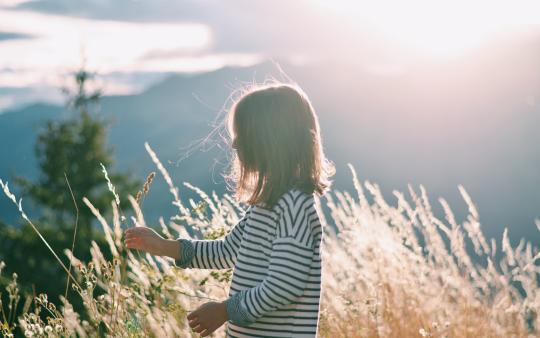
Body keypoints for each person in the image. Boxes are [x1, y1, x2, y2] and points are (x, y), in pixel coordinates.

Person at [124, 81, 335, 337]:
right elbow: (226, 251)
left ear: (271, 140)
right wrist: (164, 246)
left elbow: (284, 285)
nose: (235, 146)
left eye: (243, 136)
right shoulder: (266, 204)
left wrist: (224, 311)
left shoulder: (294, 206)